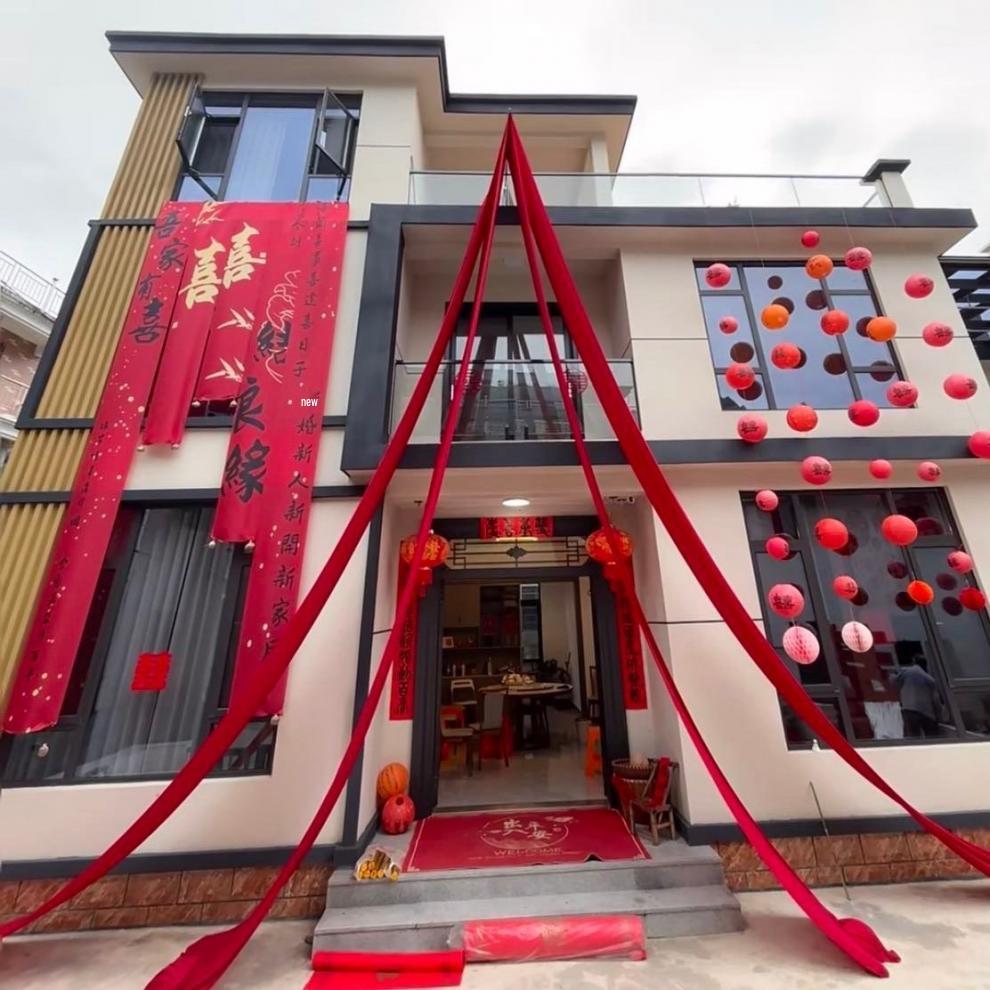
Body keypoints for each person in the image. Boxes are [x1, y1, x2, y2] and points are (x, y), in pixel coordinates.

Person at [890, 654, 942, 738]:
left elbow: (893, 682)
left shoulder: (906, 672)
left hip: (910, 711)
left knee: (913, 740)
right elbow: (936, 701)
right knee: (933, 739)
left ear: (914, 662)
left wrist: (891, 673)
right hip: (927, 714)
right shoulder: (930, 679)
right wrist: (939, 717)